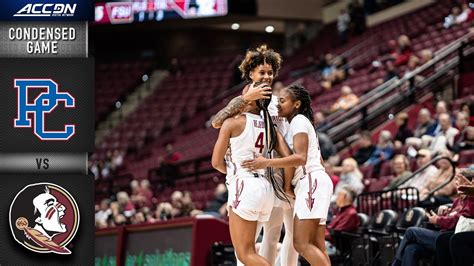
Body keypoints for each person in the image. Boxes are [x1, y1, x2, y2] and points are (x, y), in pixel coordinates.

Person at [211, 45, 299, 266]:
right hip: (264, 182)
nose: (267, 77)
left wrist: (287, 183)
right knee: (254, 248)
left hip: (257, 179)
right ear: (251, 75)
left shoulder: (272, 105)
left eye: (270, 73)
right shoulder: (246, 106)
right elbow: (216, 121)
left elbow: (216, 158)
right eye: (263, 72)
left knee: (250, 251)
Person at [242, 84, 333, 266]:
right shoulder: (302, 122)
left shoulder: (298, 121)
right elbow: (319, 160)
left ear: (297, 104)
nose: (278, 104)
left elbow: (299, 158)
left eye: (282, 101)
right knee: (317, 244)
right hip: (317, 181)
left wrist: (265, 163)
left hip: (310, 182)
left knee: (301, 243)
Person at [435, 170, 474, 266]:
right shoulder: (458, 201)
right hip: (454, 228)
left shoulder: (467, 198)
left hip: (462, 228)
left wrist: (438, 220)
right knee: (442, 238)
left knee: (457, 239)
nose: (457, 184)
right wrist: (444, 215)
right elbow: (467, 215)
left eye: (459, 182)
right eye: (456, 181)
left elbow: (465, 216)